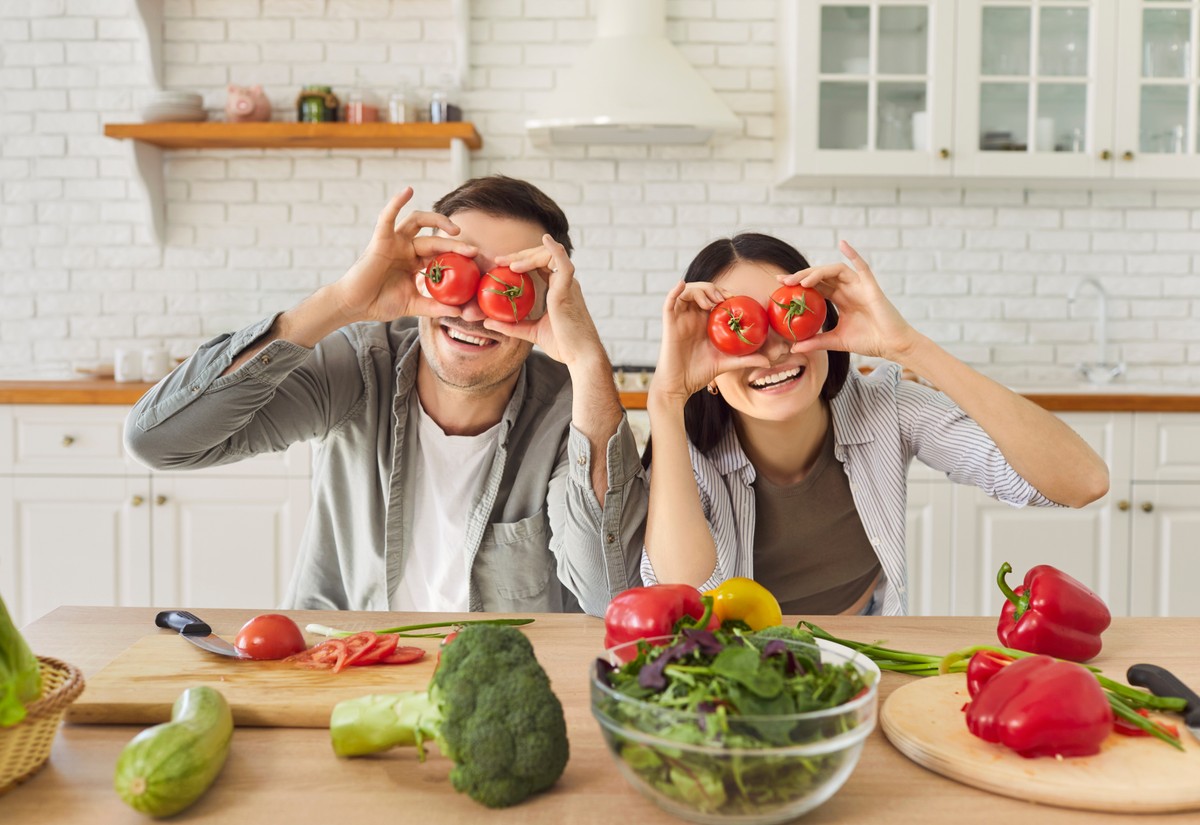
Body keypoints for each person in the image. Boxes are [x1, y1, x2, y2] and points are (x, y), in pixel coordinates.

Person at [125, 176, 647, 616]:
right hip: (344, 668)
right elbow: (157, 442)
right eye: (456, 275)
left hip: (508, 685)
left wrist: (588, 363)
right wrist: (340, 301)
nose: (470, 311)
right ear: (424, 272)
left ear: (545, 303)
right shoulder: (357, 368)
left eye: (508, 286)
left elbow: (611, 597)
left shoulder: (569, 413)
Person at [640, 233, 1109, 616]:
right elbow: (683, 595)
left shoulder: (887, 408)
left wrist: (908, 346)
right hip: (738, 659)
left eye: (789, 315)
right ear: (711, 375)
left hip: (867, 645)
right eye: (740, 330)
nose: (774, 350)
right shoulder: (689, 457)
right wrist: (666, 399)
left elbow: (1082, 482)